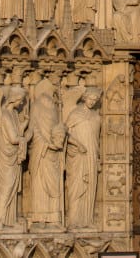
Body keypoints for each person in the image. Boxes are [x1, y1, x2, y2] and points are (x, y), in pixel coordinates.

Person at [0, 85, 30, 230]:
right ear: (15, 99)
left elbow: (16, 132)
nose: (22, 103)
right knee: (4, 188)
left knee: (12, 187)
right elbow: (13, 138)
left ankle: (9, 220)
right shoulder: (6, 114)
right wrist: (24, 138)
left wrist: (24, 124)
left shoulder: (13, 114)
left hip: (11, 157)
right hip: (4, 158)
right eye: (21, 100)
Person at [28, 79, 66, 227]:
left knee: (54, 186)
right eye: (51, 92)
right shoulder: (37, 106)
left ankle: (54, 218)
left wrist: (60, 136)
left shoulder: (55, 108)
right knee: (40, 185)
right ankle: (40, 219)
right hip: (41, 152)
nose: (53, 95)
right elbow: (33, 128)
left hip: (54, 154)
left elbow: (58, 128)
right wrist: (45, 143)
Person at [65, 87, 103, 229]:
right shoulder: (75, 114)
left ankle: (87, 221)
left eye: (95, 100)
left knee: (90, 188)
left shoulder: (96, 117)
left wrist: (98, 156)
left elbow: (98, 139)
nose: (92, 102)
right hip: (78, 156)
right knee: (76, 187)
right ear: (84, 98)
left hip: (92, 155)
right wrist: (77, 144)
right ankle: (74, 221)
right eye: (90, 99)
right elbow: (64, 133)